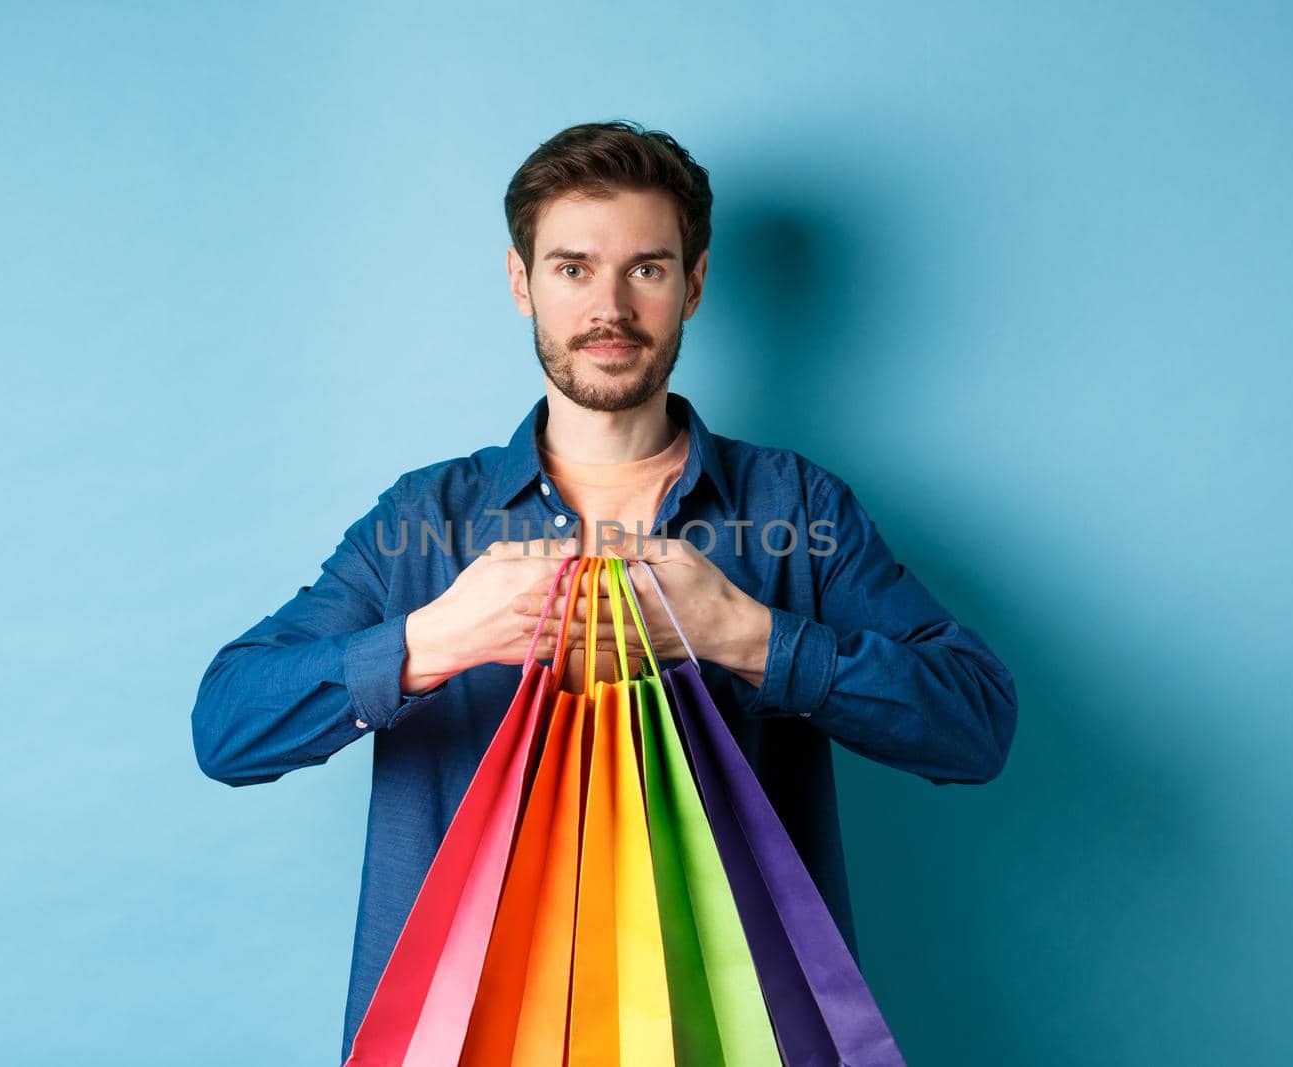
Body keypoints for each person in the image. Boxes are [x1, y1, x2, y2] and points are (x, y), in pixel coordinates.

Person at [190, 119, 1018, 1060]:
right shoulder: (427, 519)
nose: (610, 307)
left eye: (647, 269)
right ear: (522, 283)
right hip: (468, 1036)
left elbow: (976, 725)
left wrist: (753, 636)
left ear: (694, 284)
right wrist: (432, 643)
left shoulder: (794, 507)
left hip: (731, 1033)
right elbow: (226, 728)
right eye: (574, 268)